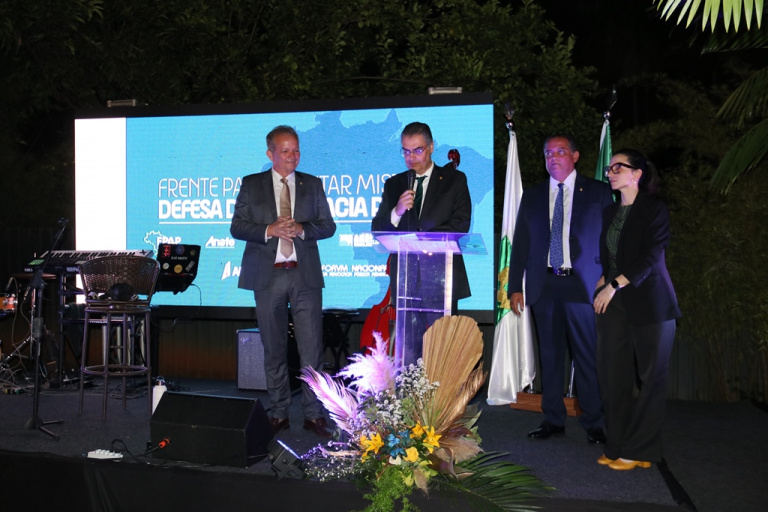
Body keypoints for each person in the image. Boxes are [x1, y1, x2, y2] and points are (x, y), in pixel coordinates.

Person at [230, 125, 337, 437]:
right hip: (268, 276)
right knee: (274, 348)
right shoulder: (252, 184)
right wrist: (270, 230)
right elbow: (237, 227)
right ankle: (278, 412)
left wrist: (302, 228)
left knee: (312, 350)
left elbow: (328, 226)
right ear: (270, 154)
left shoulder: (312, 184)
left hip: (305, 276)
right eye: (286, 151)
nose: (293, 156)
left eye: (296, 150)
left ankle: (314, 414)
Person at [509, 135, 613, 443]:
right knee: (550, 355)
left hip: (583, 285)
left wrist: (608, 275)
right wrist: (515, 287)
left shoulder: (598, 192)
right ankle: (553, 418)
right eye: (548, 153)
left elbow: (611, 238)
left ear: (575, 156)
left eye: (560, 151)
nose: (553, 157)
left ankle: (594, 422)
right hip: (545, 284)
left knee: (586, 355)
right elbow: (521, 243)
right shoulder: (533, 195)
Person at [593, 149, 681, 470]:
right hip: (615, 303)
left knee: (651, 379)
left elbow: (651, 256)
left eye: (618, 167)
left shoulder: (654, 209)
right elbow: (610, 255)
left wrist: (614, 284)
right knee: (612, 375)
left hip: (651, 304)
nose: (611, 172)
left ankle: (640, 451)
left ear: (637, 174)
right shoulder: (609, 211)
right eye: (609, 168)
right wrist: (603, 280)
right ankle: (616, 445)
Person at [371, 121, 471, 361]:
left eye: (417, 150)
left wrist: (421, 240)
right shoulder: (394, 184)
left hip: (441, 278)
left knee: (442, 352)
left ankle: (441, 387)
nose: (411, 157)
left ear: (431, 147)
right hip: (406, 282)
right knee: (408, 353)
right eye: (406, 151)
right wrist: (396, 211)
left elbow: (461, 224)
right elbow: (378, 229)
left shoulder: (454, 180)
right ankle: (408, 386)